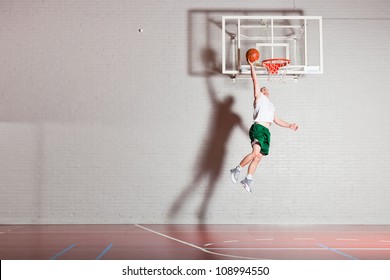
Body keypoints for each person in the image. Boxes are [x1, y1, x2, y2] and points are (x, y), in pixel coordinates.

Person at [230, 59, 298, 193]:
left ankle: (248, 179)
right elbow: (255, 81)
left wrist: (290, 125)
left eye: (264, 88)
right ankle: (236, 170)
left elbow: (276, 120)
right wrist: (251, 66)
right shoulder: (259, 98)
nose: (263, 88)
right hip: (258, 128)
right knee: (255, 153)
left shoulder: (271, 106)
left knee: (259, 157)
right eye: (261, 88)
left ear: (269, 92)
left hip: (266, 132)